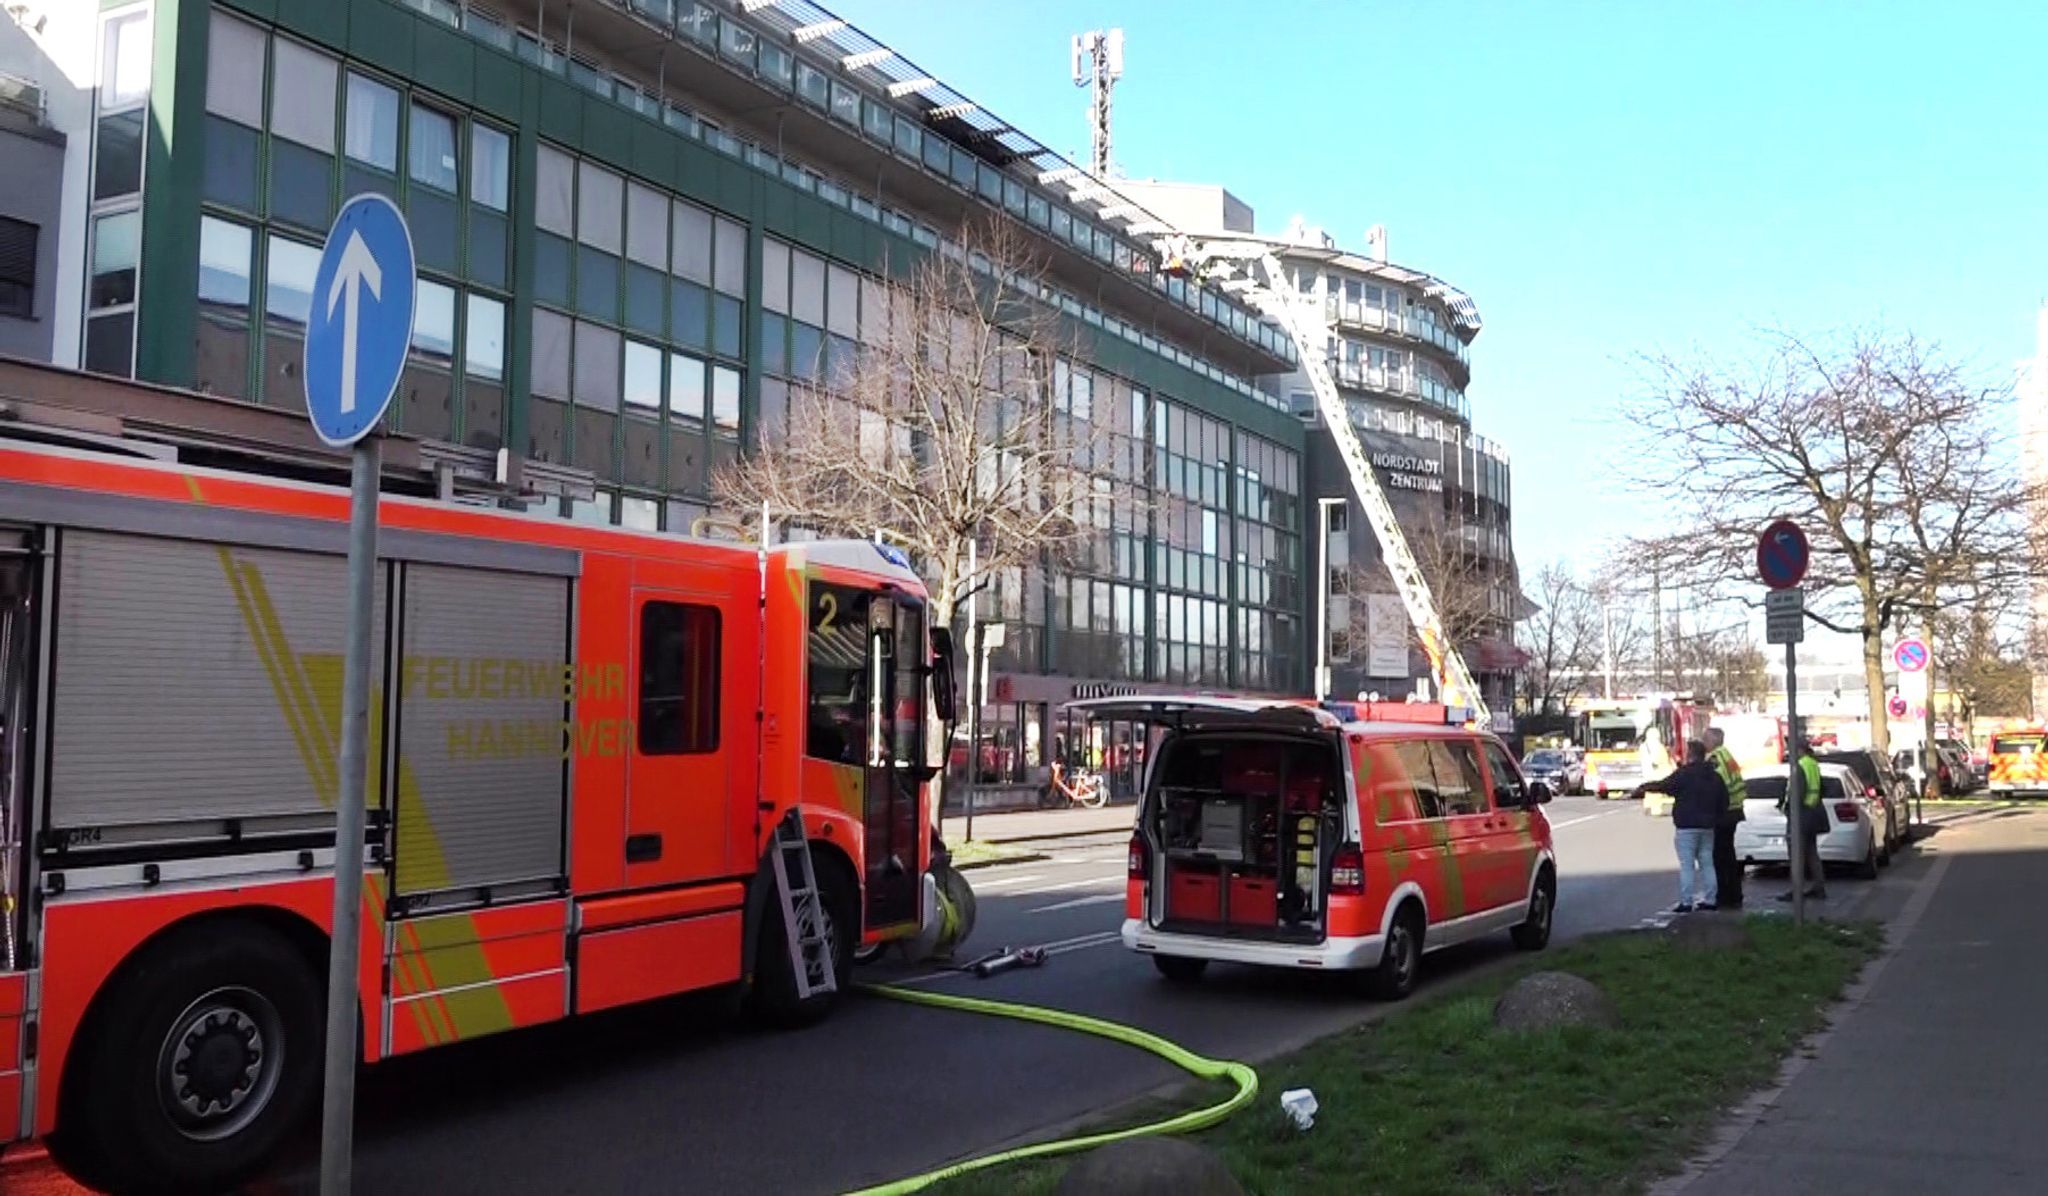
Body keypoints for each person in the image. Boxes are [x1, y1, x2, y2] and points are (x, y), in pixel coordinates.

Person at [1633, 739, 1725, 913]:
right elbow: (1723, 801)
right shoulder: (1714, 776)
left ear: (1690, 755)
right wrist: (1715, 818)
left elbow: (1664, 785)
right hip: (1707, 827)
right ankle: (1711, 900)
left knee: (1687, 865)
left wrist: (1644, 787)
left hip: (1687, 826)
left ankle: (1686, 902)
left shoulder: (1684, 774)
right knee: (1707, 864)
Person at [1779, 738, 1828, 902]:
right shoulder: (1813, 764)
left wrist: (1786, 808)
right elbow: (1822, 789)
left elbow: (1796, 794)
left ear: (1798, 749)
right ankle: (1819, 887)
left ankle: (1796, 891)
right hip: (1813, 813)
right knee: (1812, 852)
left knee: (1796, 855)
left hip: (1800, 815)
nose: (1789, 752)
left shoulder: (1799, 766)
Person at [1705, 727, 1748, 910]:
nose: (1704, 742)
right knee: (1729, 856)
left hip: (1724, 812)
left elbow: (1715, 787)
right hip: (1735, 809)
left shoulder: (1715, 758)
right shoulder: (1727, 755)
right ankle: (1734, 895)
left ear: (1713, 741)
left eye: (1705, 739)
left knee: (1720, 857)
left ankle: (1724, 896)